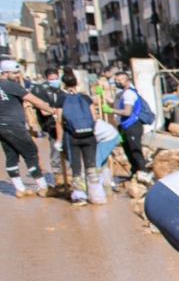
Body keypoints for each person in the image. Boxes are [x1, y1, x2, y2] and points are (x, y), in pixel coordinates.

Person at [0, 59, 55, 198]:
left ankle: (20, 189)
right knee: (31, 152)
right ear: (5, 73)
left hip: (2, 127)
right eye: (14, 73)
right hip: (14, 125)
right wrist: (51, 110)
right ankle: (43, 187)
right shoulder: (12, 85)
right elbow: (35, 100)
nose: (18, 75)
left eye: (18, 72)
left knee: (11, 155)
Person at [58, 69, 105, 206]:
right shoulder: (86, 98)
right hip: (89, 135)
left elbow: (59, 122)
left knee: (76, 166)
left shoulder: (61, 99)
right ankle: (96, 196)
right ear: (77, 83)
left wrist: (58, 140)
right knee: (91, 165)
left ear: (63, 84)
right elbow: (94, 117)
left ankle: (80, 196)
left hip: (72, 136)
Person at [112, 70, 154, 185]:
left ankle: (143, 173)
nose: (117, 82)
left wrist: (111, 110)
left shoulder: (129, 94)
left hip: (133, 125)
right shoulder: (122, 94)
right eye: (116, 80)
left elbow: (127, 112)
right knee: (128, 151)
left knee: (135, 151)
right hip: (125, 126)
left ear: (127, 81)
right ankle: (135, 172)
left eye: (120, 80)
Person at [29, 68, 65, 183]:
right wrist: (57, 111)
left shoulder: (61, 92)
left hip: (64, 124)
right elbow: (44, 111)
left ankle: (68, 175)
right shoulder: (43, 92)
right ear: (46, 79)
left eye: (56, 79)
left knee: (67, 152)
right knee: (56, 151)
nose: (55, 81)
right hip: (52, 126)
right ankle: (58, 177)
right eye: (52, 79)